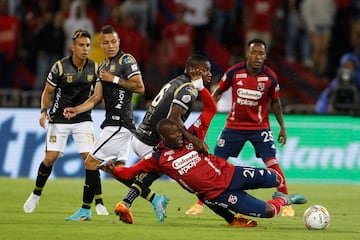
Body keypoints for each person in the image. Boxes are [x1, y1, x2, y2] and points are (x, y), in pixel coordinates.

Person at [99, 118, 307, 227]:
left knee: (276, 178)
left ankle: (279, 192)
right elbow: (129, 173)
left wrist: (199, 85)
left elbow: (210, 108)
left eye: (179, 131)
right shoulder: (158, 159)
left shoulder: (190, 138)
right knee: (269, 212)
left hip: (233, 173)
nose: (179, 136)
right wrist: (113, 170)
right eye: (174, 133)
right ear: (163, 137)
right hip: (221, 194)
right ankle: (284, 201)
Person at [186, 38, 293, 217]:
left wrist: (282, 127)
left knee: (272, 164)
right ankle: (199, 205)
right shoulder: (234, 72)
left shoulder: (270, 77)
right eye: (254, 52)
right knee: (213, 165)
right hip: (234, 127)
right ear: (247, 54)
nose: (257, 56)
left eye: (261, 53)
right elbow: (218, 92)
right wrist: (208, 111)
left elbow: (275, 102)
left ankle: (287, 203)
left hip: (260, 128)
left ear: (265, 57)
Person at [113, 54, 212, 224]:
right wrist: (193, 140)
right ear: (194, 70)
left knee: (151, 172)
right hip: (151, 140)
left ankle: (136, 202)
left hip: (141, 135)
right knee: (176, 170)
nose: (210, 74)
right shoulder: (189, 89)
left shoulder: (176, 81)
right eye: (206, 70)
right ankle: (128, 202)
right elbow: (173, 119)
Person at [62, 25, 148, 221]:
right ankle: (155, 198)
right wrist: (76, 109)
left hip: (120, 123)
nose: (110, 46)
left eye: (114, 42)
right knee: (117, 170)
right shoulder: (102, 66)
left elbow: (140, 87)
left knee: (90, 162)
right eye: (106, 42)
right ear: (101, 44)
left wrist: (115, 79)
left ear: (119, 42)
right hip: (114, 123)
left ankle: (85, 210)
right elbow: (95, 98)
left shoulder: (126, 60)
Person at [23, 29, 109, 216]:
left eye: (87, 45)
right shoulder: (60, 67)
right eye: (81, 45)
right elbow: (47, 91)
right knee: (50, 158)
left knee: (91, 160)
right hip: (59, 119)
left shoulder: (95, 68)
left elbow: (99, 94)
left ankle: (99, 202)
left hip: (82, 119)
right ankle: (36, 194)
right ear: (73, 47)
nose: (85, 49)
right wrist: (43, 111)